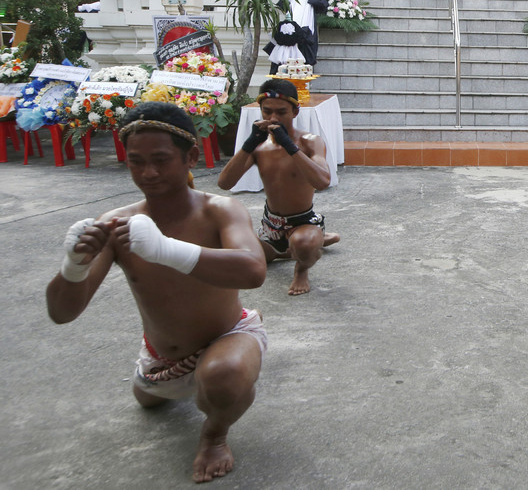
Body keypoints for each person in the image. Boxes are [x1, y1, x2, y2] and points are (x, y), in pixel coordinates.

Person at [46, 102, 268, 483]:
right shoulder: (116, 225)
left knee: (224, 377)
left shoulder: (219, 210)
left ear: (190, 158)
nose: (148, 172)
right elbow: (63, 313)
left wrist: (166, 250)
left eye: (161, 160)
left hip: (229, 337)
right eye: (136, 161)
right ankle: (159, 379)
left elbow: (254, 270)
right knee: (148, 401)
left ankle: (214, 436)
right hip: (161, 359)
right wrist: (74, 265)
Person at [218, 79, 338, 296]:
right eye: (267, 112)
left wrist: (290, 146)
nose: (273, 118)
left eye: (281, 112)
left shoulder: (311, 141)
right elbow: (225, 183)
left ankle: (303, 263)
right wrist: (248, 145)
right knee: (233, 250)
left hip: (302, 222)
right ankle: (296, 246)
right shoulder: (259, 147)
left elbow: (323, 181)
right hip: (269, 227)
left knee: (304, 244)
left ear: (295, 111)